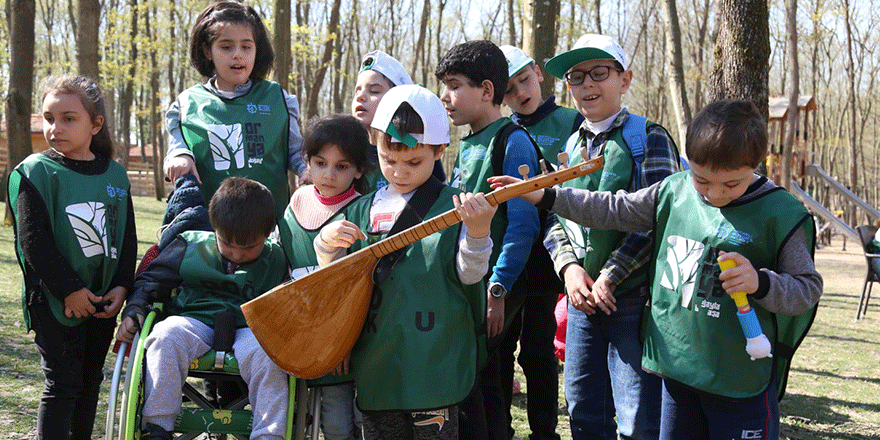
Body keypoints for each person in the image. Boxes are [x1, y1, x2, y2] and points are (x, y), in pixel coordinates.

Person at [489, 99, 823, 440]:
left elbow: (806, 291)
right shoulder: (673, 191)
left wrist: (761, 282)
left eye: (731, 184)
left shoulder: (782, 214)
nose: (715, 194)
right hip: (677, 375)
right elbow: (612, 209)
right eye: (702, 180)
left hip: (739, 382)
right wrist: (545, 196)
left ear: (757, 164)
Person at [315, 84, 496, 440]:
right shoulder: (359, 210)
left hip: (435, 363)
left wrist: (478, 232)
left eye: (414, 161)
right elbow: (337, 283)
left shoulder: (456, 207)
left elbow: (470, 274)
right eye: (388, 160)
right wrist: (326, 245)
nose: (399, 171)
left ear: (440, 151)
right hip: (378, 362)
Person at [535, 33, 682, 440]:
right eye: (576, 77)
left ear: (625, 78)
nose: (587, 85)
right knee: (583, 409)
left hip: (632, 301)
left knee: (638, 419)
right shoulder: (569, 145)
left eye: (599, 73)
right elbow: (554, 216)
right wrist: (568, 270)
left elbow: (657, 219)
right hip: (582, 301)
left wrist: (611, 275)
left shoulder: (648, 138)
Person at [8, 74, 137, 440]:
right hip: (54, 300)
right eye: (49, 118)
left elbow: (127, 239)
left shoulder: (116, 175)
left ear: (95, 124)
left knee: (89, 383)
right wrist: (70, 290)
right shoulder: (35, 172)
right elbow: (34, 243)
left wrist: (122, 287)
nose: (55, 128)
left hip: (101, 302)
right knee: (63, 385)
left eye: (68, 118)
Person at [116, 177, 290, 440]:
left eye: (249, 247)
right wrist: (136, 307)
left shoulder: (276, 257)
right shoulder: (190, 245)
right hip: (194, 320)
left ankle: (269, 434)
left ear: (267, 235)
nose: (237, 254)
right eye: (228, 244)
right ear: (214, 228)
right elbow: (153, 279)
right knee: (165, 336)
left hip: (250, 327)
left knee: (270, 355)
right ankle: (157, 427)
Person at [435, 39, 542, 440]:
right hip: (469, 282)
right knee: (478, 375)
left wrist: (498, 289)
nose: (445, 97)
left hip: (496, 287)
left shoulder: (511, 141)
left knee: (486, 377)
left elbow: (522, 224)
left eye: (454, 84)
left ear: (486, 90)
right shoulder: (466, 144)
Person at [494, 44, 585, 440]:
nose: (520, 93)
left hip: (551, 257)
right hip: (511, 256)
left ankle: (544, 431)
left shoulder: (572, 120)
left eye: (524, 80)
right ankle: (497, 429)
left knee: (538, 352)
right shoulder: (502, 133)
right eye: (509, 89)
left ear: (539, 73)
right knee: (499, 349)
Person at [277, 114, 373, 440]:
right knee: (306, 419)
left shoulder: (364, 212)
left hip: (350, 346)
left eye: (342, 166)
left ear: (359, 169)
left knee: (345, 423)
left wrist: (342, 340)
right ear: (307, 162)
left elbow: (360, 288)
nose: (328, 175)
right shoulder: (294, 204)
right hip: (303, 335)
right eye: (320, 163)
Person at [163, 1, 304, 219]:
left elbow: (297, 153)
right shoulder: (186, 105)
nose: (237, 54)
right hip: (209, 231)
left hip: (271, 230)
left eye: (246, 46)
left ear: (257, 50)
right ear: (207, 50)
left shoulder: (279, 99)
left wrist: (308, 171)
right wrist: (180, 156)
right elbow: (176, 149)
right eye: (226, 47)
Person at [352, 49, 446, 190]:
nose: (361, 96)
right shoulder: (349, 148)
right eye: (357, 90)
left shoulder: (420, 145)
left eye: (374, 91)